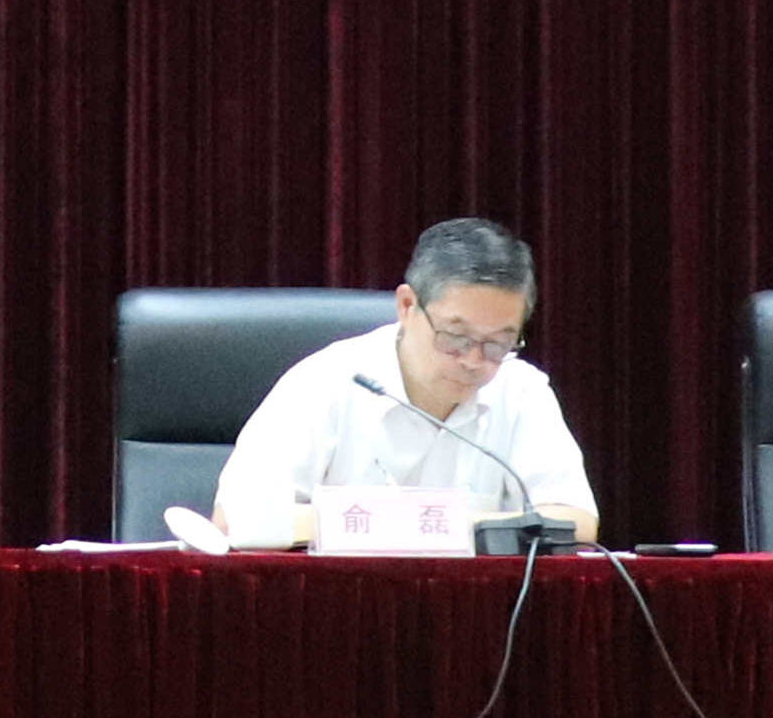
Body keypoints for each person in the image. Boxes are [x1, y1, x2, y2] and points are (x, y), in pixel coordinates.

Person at [206, 217, 601, 544]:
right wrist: (428, 524)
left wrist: (433, 523)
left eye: (498, 343)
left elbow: (576, 522)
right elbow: (236, 517)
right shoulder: (325, 382)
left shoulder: (521, 391)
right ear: (408, 306)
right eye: (456, 337)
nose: (473, 361)